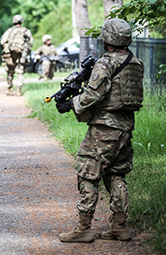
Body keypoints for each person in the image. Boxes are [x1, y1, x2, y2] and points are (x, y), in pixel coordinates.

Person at [56, 18, 144, 243]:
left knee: (87, 171)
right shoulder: (135, 62)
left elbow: (93, 95)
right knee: (116, 174)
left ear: (108, 38)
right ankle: (119, 227)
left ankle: (84, 228)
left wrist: (71, 104)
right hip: (125, 129)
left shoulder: (106, 63)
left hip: (105, 129)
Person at [0, 15, 33, 95]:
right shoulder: (26, 31)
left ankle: (9, 89)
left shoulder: (10, 31)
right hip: (22, 55)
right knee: (20, 72)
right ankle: (18, 90)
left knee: (10, 72)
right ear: (21, 21)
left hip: (10, 55)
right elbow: (30, 43)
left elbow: (2, 41)